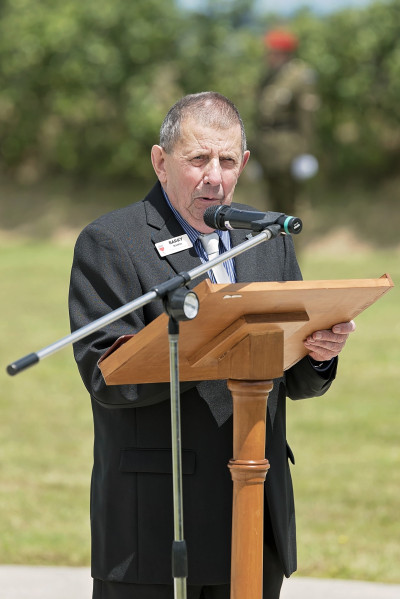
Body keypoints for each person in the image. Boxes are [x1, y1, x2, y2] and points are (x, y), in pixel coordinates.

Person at [68, 91, 355, 599]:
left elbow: (295, 380)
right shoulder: (112, 241)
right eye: (198, 158)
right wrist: (208, 340)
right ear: (161, 162)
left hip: (253, 512)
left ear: (243, 163)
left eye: (226, 160)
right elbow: (104, 376)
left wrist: (319, 354)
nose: (214, 176)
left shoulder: (268, 240)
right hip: (156, 523)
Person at [254, 29, 320, 215]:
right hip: (269, 149)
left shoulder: (300, 76)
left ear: (284, 52)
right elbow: (260, 116)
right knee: (271, 204)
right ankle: (275, 244)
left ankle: (295, 244)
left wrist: (305, 152)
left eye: (272, 51)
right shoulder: (268, 76)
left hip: (290, 148)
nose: (268, 56)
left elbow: (306, 118)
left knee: (291, 204)